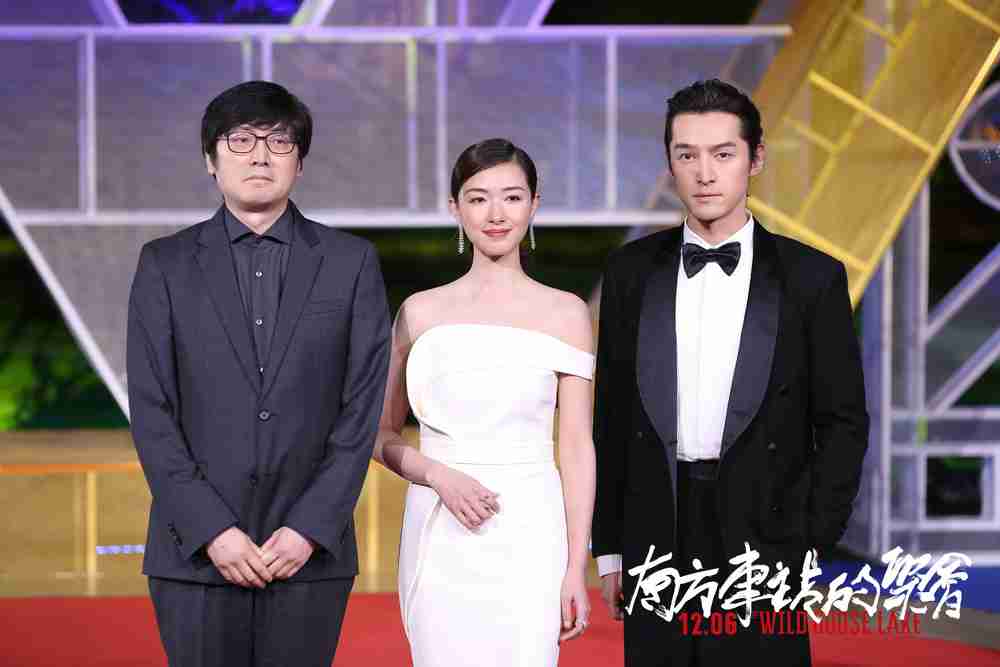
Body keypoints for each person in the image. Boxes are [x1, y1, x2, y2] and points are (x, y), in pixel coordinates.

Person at [591, 79, 869, 666]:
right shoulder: (630, 272)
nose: (705, 173)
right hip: (657, 524)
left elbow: (842, 421)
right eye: (687, 155)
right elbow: (612, 416)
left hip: (767, 530)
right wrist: (610, 548)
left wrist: (814, 538)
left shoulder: (812, 277)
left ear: (755, 158)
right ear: (670, 163)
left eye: (723, 154)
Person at [127, 80, 390, 666]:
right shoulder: (165, 264)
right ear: (211, 159)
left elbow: (361, 410)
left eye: (279, 141)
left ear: (300, 161)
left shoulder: (350, 263)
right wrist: (212, 531)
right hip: (194, 555)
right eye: (241, 141)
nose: (261, 156)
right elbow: (151, 409)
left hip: (308, 556)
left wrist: (309, 528)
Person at [374, 138, 596, 666]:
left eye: (512, 197)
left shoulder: (567, 314)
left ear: (534, 204)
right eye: (478, 198)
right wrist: (436, 475)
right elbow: (378, 434)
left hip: (531, 529)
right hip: (439, 526)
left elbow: (576, 446)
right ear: (455, 207)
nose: (496, 214)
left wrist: (575, 566)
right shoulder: (418, 313)